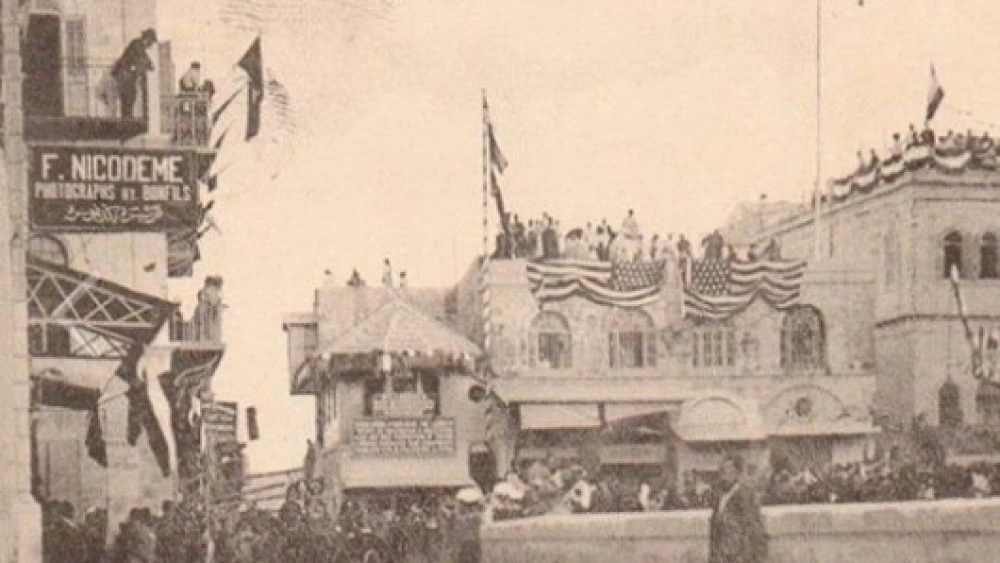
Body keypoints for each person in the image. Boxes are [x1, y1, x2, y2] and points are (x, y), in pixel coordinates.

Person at [708, 454, 767, 563]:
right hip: (721, 554)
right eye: (723, 471)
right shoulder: (719, 496)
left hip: (740, 554)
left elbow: (752, 525)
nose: (725, 475)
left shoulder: (746, 494)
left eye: (729, 471)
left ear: (737, 473)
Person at [111, 29, 157, 118]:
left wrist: (149, 65)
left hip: (126, 73)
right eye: (151, 42)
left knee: (130, 94)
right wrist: (150, 65)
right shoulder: (137, 44)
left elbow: (143, 58)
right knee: (129, 94)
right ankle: (127, 117)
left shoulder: (139, 45)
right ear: (147, 38)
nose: (150, 45)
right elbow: (142, 57)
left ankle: (127, 116)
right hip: (123, 72)